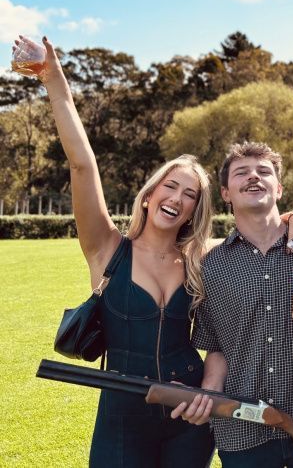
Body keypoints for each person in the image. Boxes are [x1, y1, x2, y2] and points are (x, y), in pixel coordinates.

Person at [27, 34, 215, 466]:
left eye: (190, 194)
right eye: (171, 185)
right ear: (150, 195)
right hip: (122, 412)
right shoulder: (106, 248)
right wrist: (55, 81)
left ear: (193, 211)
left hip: (190, 411)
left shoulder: (201, 257)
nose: (178, 197)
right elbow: (82, 164)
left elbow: (261, 230)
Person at [179, 142, 293, 467]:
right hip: (242, 435)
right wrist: (209, 393)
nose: (253, 178)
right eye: (242, 173)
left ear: (279, 187)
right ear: (226, 193)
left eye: (264, 172)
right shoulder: (210, 266)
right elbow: (215, 344)